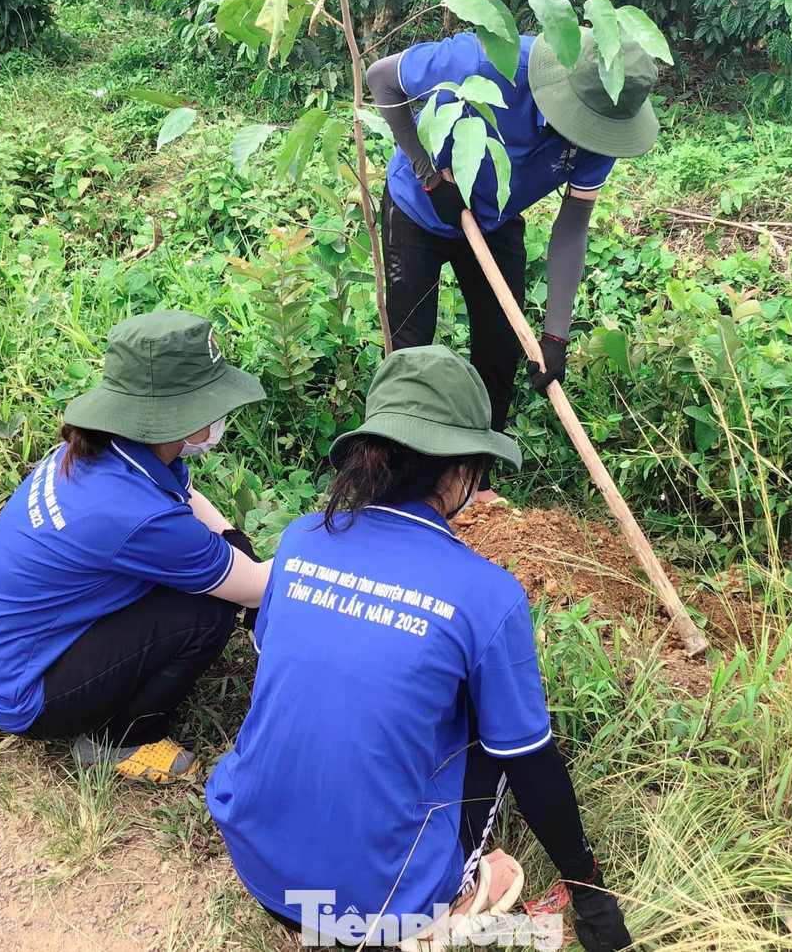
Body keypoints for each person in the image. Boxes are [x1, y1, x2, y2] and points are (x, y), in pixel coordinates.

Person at [206, 345, 633, 950]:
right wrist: (590, 893)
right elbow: (531, 765)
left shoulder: (303, 538)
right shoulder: (487, 595)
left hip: (256, 860)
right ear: (461, 473)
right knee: (505, 729)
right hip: (375, 907)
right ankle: (448, 905)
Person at [0, 310, 270, 783]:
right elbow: (252, 589)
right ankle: (118, 740)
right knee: (207, 611)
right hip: (25, 693)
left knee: (222, 566)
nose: (221, 416)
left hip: (9, 652)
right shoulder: (133, 514)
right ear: (179, 417)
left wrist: (234, 544)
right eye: (214, 404)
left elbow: (185, 496)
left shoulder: (115, 450)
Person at [366, 27, 660, 501]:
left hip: (495, 218)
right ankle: (394, 483)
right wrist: (428, 176)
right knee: (410, 350)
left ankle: (474, 486)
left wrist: (556, 334)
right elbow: (381, 78)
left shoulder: (606, 126)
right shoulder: (485, 61)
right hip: (421, 207)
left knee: (501, 349)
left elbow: (574, 221)